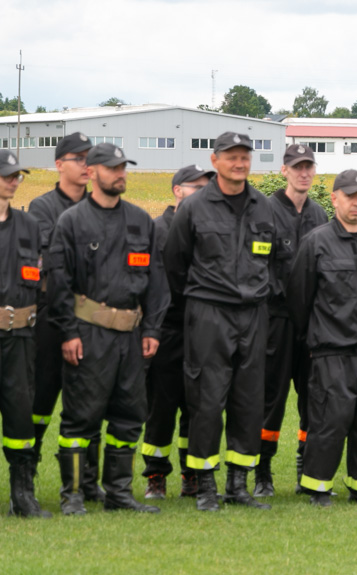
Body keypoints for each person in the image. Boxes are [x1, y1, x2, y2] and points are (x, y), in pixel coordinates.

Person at [48, 143, 169, 514]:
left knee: (130, 414)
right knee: (81, 416)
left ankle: (118, 493)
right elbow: (58, 281)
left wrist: (152, 329)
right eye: (113, 168)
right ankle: (73, 496)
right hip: (88, 334)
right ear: (93, 173)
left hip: (131, 337)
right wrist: (68, 332)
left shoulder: (140, 221)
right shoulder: (72, 221)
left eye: (124, 168)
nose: (121, 174)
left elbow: (156, 280)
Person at [163, 132, 275, 512]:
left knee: (248, 400)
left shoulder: (264, 206)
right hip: (209, 312)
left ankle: (238, 484)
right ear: (215, 161)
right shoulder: (195, 206)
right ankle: (206, 485)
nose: (239, 163)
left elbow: (275, 260)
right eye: (231, 156)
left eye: (245, 156)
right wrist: (199, 302)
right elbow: (174, 264)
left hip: (254, 314)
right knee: (207, 399)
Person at [287, 169, 357, 507]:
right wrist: (315, 340)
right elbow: (300, 299)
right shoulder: (317, 241)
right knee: (330, 420)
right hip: (332, 349)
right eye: (350, 196)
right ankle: (317, 487)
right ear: (334, 199)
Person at [29, 132, 104, 501]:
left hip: (91, 320)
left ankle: (88, 484)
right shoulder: (42, 208)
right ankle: (24, 480)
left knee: (90, 404)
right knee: (40, 402)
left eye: (90, 158)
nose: (87, 165)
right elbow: (52, 263)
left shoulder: (101, 207)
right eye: (79, 158)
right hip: (51, 317)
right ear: (59, 164)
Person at [258, 144, 328, 497]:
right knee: (270, 397)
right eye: (297, 167)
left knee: (313, 397)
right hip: (277, 320)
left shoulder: (319, 215)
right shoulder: (265, 210)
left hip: (314, 324)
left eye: (309, 167)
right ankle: (263, 471)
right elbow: (260, 266)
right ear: (284, 170)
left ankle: (306, 466)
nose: (304, 173)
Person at [141, 164, 213, 499]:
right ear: (177, 190)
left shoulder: (207, 229)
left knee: (196, 408)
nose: (202, 192)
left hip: (201, 331)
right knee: (161, 408)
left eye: (205, 187)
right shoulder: (156, 230)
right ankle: (156, 475)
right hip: (166, 330)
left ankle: (191, 474)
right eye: (195, 187)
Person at [0, 151, 51, 517]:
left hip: (19, 337)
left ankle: (23, 494)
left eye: (17, 175)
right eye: (6, 174)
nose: (13, 180)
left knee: (20, 414)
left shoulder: (29, 225)